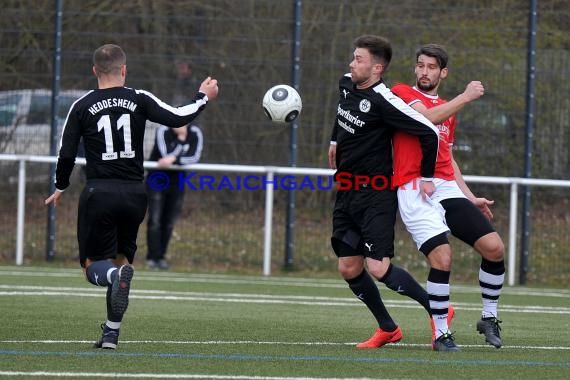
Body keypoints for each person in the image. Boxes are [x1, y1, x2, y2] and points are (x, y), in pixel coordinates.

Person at [44, 44, 218, 349]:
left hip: (100, 193)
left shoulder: (83, 105)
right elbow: (178, 117)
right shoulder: (139, 98)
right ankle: (111, 334)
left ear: (94, 71)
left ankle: (112, 279)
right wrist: (202, 96)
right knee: (122, 264)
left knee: (93, 267)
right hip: (136, 195)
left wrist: (60, 186)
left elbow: (67, 151)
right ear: (124, 70)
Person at [329, 35, 441, 350]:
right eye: (353, 57)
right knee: (348, 267)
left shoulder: (384, 100)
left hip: (376, 195)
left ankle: (437, 308)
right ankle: (388, 328)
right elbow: (342, 114)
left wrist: (427, 177)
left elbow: (429, 132)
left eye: (359, 59)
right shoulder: (346, 83)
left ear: (377, 67)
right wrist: (334, 141)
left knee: (378, 267)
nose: (352, 64)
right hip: (347, 192)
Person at [391, 43, 506, 350]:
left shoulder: (448, 109)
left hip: (445, 186)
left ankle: (489, 317)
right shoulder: (401, 93)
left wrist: (470, 197)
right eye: (420, 65)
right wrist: (466, 97)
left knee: (494, 249)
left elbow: (448, 157)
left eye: (431, 67)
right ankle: (441, 333)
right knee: (442, 257)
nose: (424, 71)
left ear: (443, 72)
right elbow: (427, 117)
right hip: (415, 187)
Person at [146, 123, 203, 270]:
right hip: (156, 180)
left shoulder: (195, 132)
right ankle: (152, 258)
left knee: (169, 222)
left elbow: (194, 157)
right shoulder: (163, 130)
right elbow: (165, 154)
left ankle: (161, 257)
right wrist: (181, 141)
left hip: (177, 182)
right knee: (155, 221)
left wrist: (175, 159)